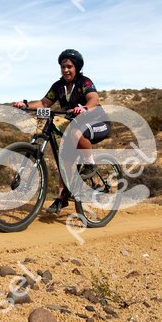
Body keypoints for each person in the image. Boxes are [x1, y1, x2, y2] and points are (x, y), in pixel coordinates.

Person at [12, 48, 110, 213]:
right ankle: (61, 198)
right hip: (78, 125)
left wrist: (84, 108)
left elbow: (94, 98)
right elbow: (44, 103)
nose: (65, 70)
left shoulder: (84, 82)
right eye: (63, 67)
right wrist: (26, 105)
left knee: (75, 132)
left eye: (69, 67)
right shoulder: (58, 86)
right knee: (64, 159)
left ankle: (90, 165)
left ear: (76, 68)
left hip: (98, 122)